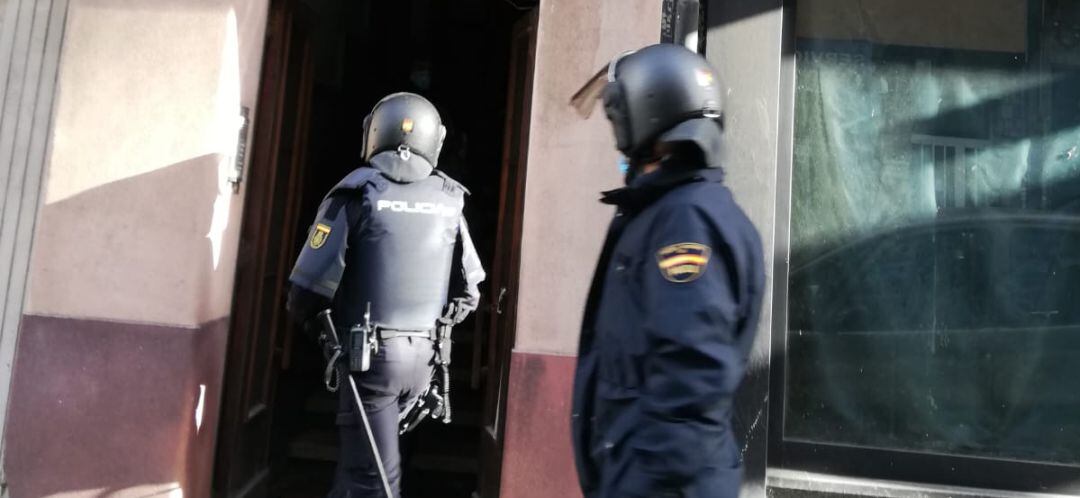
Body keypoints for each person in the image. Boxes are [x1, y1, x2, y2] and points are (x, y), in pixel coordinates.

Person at [570, 43, 765, 498]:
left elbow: (690, 380)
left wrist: (644, 482)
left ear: (647, 112)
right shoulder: (669, 210)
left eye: (617, 115)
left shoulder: (686, 221)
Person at [286, 92, 485, 498]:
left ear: (375, 133)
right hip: (425, 361)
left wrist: (326, 339)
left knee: (371, 481)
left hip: (369, 359)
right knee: (369, 467)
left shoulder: (357, 194)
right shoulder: (450, 200)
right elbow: (469, 291)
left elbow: (304, 289)